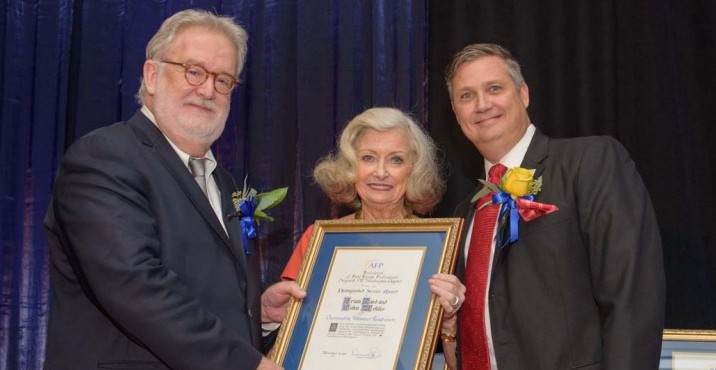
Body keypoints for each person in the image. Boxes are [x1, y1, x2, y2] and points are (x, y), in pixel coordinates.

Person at [43, 9, 304, 370]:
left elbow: (199, 283)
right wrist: (246, 364)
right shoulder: (104, 158)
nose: (207, 90)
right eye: (194, 71)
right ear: (152, 75)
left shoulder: (222, 181)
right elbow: (136, 286)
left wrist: (257, 314)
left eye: (223, 80)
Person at [443, 43, 665, 370]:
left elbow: (632, 296)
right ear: (455, 112)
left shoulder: (588, 163)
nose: (482, 104)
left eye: (494, 88)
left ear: (524, 94)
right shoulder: (466, 212)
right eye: (466, 96)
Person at [281, 107, 465, 366]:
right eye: (368, 158)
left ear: (414, 169)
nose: (380, 172)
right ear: (350, 166)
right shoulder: (318, 241)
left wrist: (449, 324)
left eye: (396, 160)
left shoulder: (440, 247)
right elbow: (289, 339)